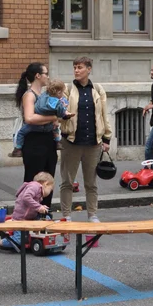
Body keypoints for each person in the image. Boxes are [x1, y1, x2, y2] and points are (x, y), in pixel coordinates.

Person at [59, 56, 112, 223]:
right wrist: (63, 116)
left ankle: (92, 214)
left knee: (91, 183)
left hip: (93, 143)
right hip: (72, 142)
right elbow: (59, 111)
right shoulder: (67, 89)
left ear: (89, 69)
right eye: (74, 67)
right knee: (67, 181)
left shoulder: (97, 89)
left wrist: (106, 138)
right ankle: (66, 215)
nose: (76, 70)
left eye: (80, 67)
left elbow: (104, 114)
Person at [15, 62, 59, 211]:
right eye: (46, 73)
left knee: (48, 179)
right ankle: (29, 214)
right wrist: (52, 117)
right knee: (34, 180)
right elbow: (29, 118)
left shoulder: (46, 95)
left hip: (48, 140)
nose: (48, 76)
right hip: (34, 141)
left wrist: (57, 118)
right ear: (38, 76)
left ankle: (45, 212)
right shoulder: (29, 95)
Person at [0, 172, 55, 251]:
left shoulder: (38, 192)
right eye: (50, 189)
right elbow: (26, 197)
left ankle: (44, 238)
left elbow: (32, 205)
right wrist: (38, 207)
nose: (49, 193)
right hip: (20, 219)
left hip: (30, 218)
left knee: (47, 218)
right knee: (18, 241)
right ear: (46, 184)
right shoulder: (35, 186)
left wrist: (41, 207)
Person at [10, 79, 69, 156]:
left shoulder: (43, 96)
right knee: (55, 128)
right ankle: (58, 142)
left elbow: (36, 108)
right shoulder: (59, 103)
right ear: (59, 92)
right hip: (49, 127)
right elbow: (61, 114)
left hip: (34, 126)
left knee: (21, 133)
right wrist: (63, 110)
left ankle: (18, 149)